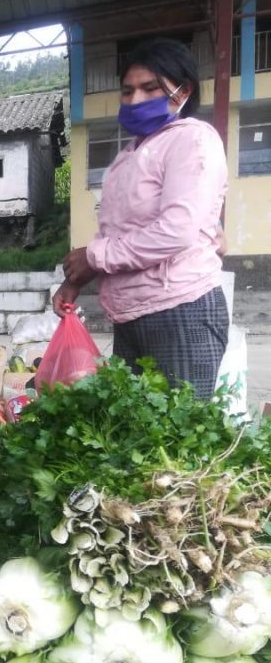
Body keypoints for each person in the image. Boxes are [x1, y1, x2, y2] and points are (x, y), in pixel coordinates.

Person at [54, 37, 228, 399]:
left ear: (182, 92)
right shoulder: (130, 155)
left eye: (149, 89)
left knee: (175, 441)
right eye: (127, 91)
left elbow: (175, 231)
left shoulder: (193, 139)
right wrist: (79, 278)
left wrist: (93, 256)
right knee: (135, 439)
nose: (134, 100)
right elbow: (123, 234)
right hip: (131, 314)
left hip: (180, 309)